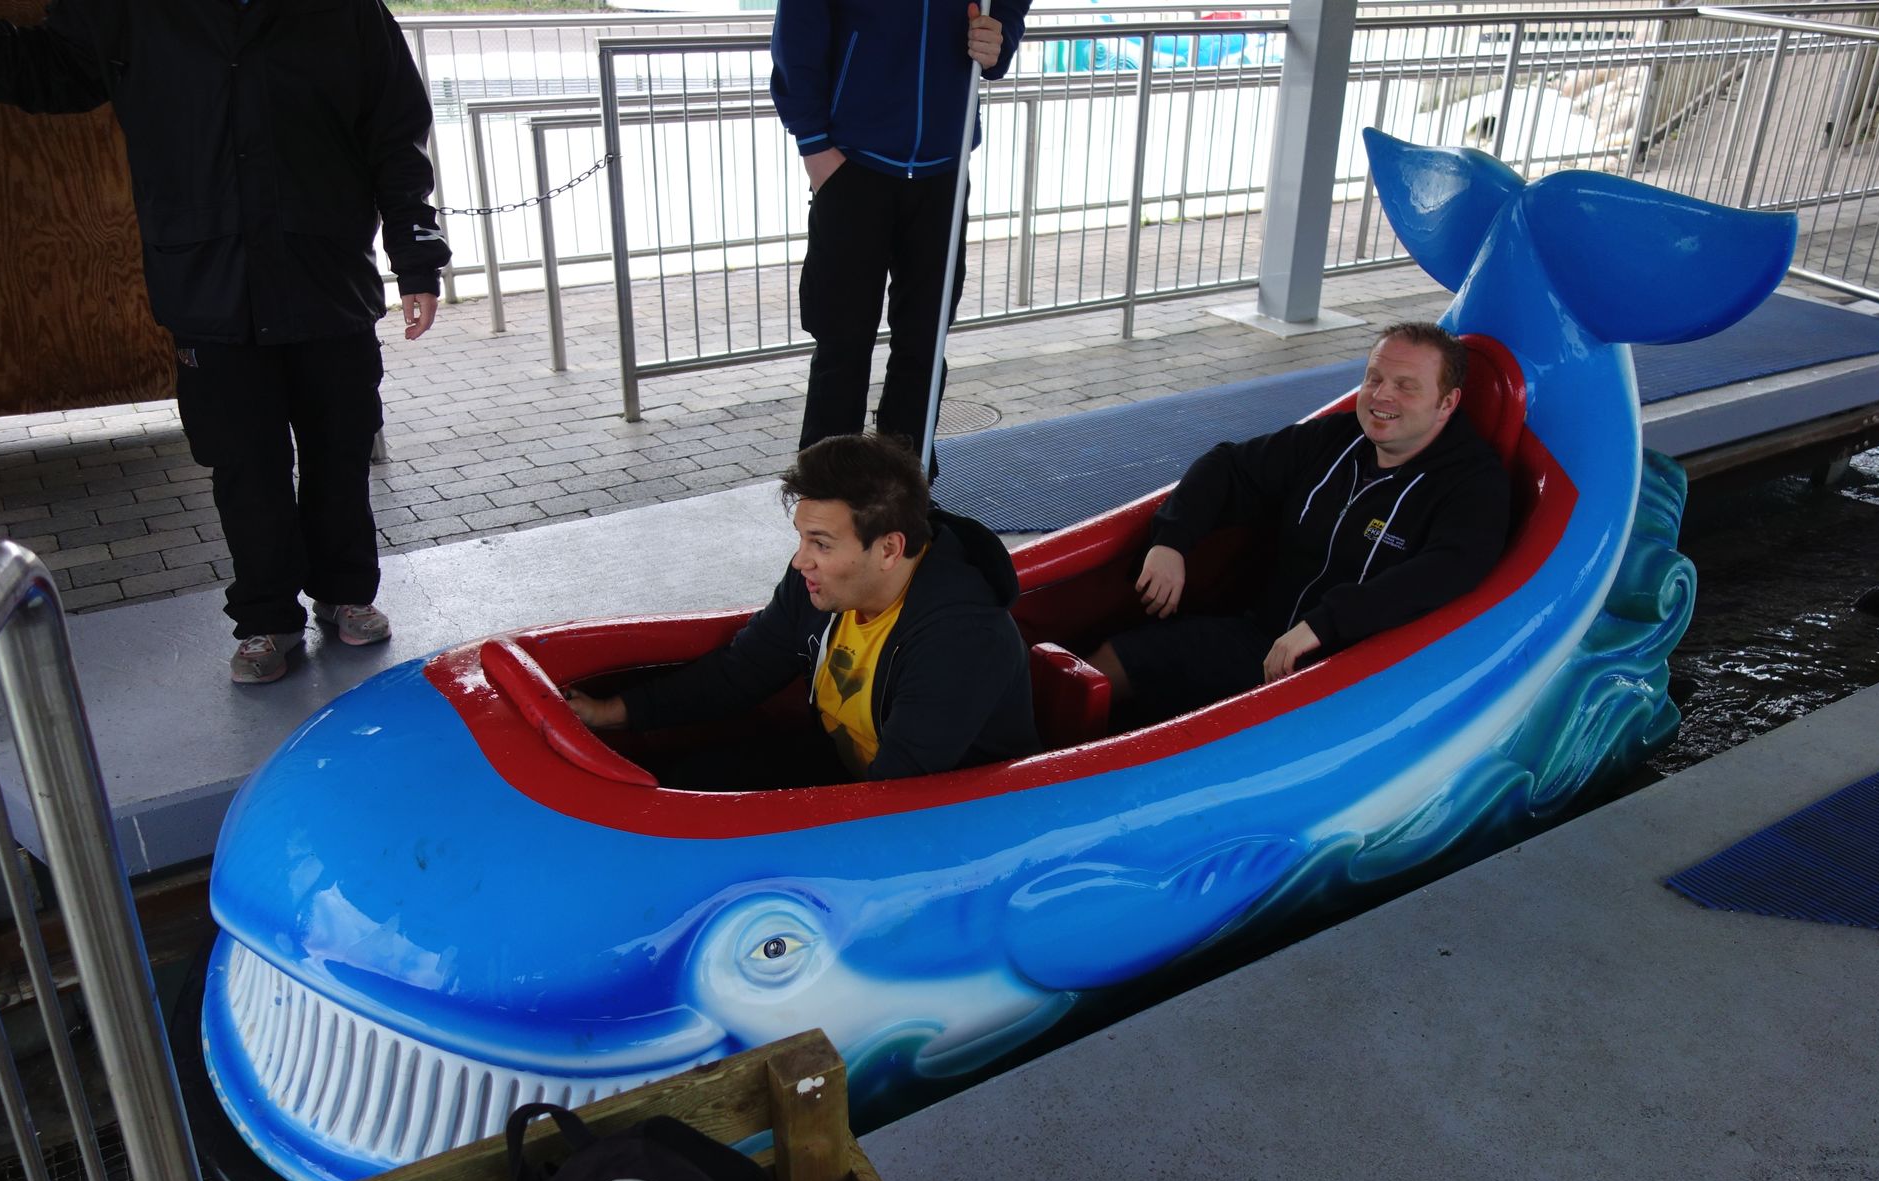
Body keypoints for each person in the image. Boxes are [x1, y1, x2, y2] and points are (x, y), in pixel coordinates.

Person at [0, 0, 449, 684]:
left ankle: (346, 592)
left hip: (325, 276)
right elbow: (45, 71)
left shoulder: (346, 10)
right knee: (243, 466)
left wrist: (417, 256)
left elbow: (395, 131)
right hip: (209, 285)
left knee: (341, 447)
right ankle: (266, 619)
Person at [1087, 322, 1512, 722]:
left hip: (1354, 679)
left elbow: (1444, 570)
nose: (1382, 396)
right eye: (1374, 379)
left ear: (1447, 403)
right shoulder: (1336, 438)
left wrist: (1326, 623)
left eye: (1406, 386)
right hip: (1261, 638)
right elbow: (1228, 466)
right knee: (1108, 665)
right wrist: (1171, 540)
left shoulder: (1474, 484)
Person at [566, 434, 1039, 788]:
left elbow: (898, 794)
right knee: (690, 776)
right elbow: (740, 672)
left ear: (889, 548)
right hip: (846, 771)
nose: (800, 561)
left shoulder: (961, 641)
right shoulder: (820, 584)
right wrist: (610, 712)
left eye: (821, 543)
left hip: (948, 818)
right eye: (802, 538)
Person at [770, 0, 1031, 474]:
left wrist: (1003, 34)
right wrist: (814, 146)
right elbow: (799, 29)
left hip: (944, 167)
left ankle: (907, 492)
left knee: (924, 343)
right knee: (842, 343)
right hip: (852, 163)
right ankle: (830, 496)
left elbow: (1007, 8)